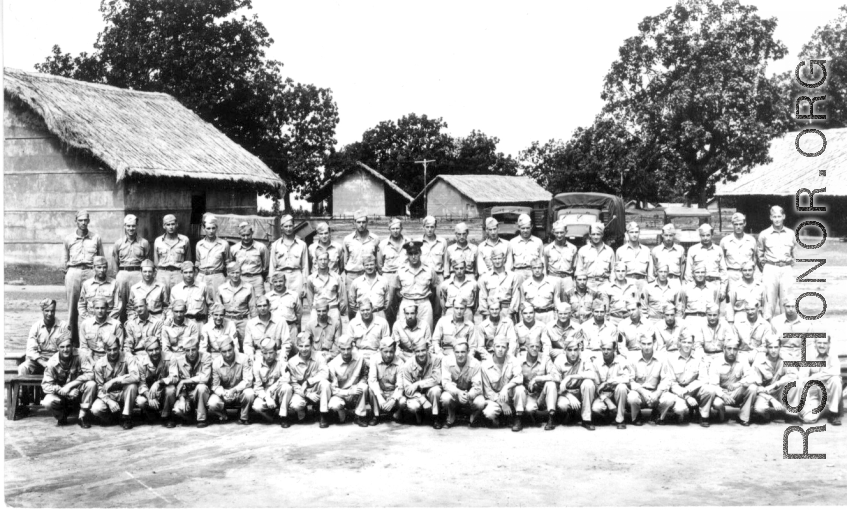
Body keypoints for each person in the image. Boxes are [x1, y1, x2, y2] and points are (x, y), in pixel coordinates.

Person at [63, 209, 104, 346]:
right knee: (72, 310)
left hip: (90, 272)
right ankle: (71, 342)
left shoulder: (96, 238)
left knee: (94, 306)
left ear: (89, 221)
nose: (83, 223)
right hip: (74, 272)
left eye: (86, 220)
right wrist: (70, 273)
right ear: (76, 221)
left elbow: (100, 258)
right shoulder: (68, 239)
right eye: (80, 220)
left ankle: (95, 341)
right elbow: (64, 261)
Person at [698, 338, 758, 427]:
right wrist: (723, 395)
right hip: (721, 394)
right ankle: (716, 415)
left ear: (738, 350)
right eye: (729, 349)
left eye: (735, 349)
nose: (732, 352)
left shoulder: (743, 359)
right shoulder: (716, 362)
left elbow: (752, 377)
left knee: (753, 387)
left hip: (736, 392)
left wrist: (739, 384)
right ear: (724, 349)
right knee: (717, 403)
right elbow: (713, 384)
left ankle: (743, 417)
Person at [40, 334, 97, 428]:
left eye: (68, 346)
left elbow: (90, 374)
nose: (65, 349)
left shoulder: (80, 354)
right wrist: (65, 392)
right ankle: (61, 416)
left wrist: (70, 385)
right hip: (61, 393)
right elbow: (46, 386)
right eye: (62, 347)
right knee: (47, 401)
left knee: (91, 384)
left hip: (78, 390)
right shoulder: (52, 363)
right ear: (57, 348)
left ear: (72, 346)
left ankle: (82, 416)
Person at [757, 206, 797, 319]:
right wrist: (766, 268)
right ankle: (767, 329)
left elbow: (794, 253)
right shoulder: (764, 234)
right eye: (774, 217)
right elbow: (759, 255)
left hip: (786, 268)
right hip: (770, 268)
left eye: (779, 216)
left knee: (787, 300)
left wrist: (788, 266)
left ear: (784, 217)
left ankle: (785, 330)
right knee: (768, 301)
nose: (777, 219)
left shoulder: (791, 233)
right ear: (771, 218)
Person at [91, 336, 139, 429]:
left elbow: (136, 377)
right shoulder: (99, 364)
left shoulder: (128, 357)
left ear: (119, 347)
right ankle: (114, 418)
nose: (112, 353)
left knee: (132, 386)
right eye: (109, 350)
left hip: (124, 393)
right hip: (109, 395)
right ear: (105, 349)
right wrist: (109, 402)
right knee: (96, 409)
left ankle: (126, 417)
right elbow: (100, 389)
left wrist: (115, 380)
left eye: (115, 349)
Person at [553, 337, 599, 430]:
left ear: (579, 350)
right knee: (563, 405)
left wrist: (571, 377)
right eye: (570, 350)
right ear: (565, 350)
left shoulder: (585, 357)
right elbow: (556, 384)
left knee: (588, 383)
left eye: (575, 350)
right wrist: (569, 396)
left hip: (582, 391)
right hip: (565, 393)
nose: (573, 353)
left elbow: (592, 374)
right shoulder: (559, 360)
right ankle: (571, 413)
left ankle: (586, 419)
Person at [657, 334, 705, 425]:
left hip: (693, 390)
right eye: (684, 342)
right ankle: (671, 412)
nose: (687, 345)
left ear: (693, 344)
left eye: (689, 343)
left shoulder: (698, 358)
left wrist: (687, 391)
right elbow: (671, 382)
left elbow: (703, 379)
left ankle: (701, 413)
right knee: (680, 410)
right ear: (679, 343)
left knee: (707, 389)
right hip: (676, 391)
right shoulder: (670, 358)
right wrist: (686, 396)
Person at [750, 334, 797, 424]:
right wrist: (772, 400)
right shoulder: (759, 361)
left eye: (776, 347)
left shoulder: (786, 358)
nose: (773, 350)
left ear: (780, 347)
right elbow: (756, 386)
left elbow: (793, 375)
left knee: (794, 384)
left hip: (780, 390)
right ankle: (776, 412)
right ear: (766, 348)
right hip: (764, 393)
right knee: (760, 411)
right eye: (770, 347)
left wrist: (776, 384)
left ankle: (790, 414)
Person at [287, 333, 332, 427]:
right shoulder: (292, 362)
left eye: (307, 346)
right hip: (301, 391)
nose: (304, 349)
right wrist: (307, 393)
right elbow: (294, 384)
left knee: (325, 384)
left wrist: (309, 381)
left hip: (316, 389)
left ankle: (323, 413)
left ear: (311, 345)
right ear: (297, 346)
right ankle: (303, 411)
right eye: (301, 346)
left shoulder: (319, 357)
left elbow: (325, 374)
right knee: (295, 405)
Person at [208, 336, 255, 425]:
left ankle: (243, 416)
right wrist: (223, 393)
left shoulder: (244, 358)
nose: (228, 354)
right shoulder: (216, 363)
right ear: (220, 351)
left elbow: (248, 381)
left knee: (250, 393)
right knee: (212, 403)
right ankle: (224, 416)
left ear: (234, 348)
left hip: (240, 392)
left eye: (230, 350)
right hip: (225, 394)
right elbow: (215, 385)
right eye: (224, 352)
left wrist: (234, 390)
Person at [479, 336, 523, 430]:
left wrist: (506, 387)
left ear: (507, 348)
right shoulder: (485, 365)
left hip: (510, 398)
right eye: (498, 346)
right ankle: (503, 417)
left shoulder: (513, 360)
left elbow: (519, 378)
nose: (500, 350)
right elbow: (488, 392)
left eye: (503, 347)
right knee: (489, 413)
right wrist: (503, 404)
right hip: (495, 399)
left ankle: (518, 418)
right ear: (493, 348)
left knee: (520, 389)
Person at [798, 334, 843, 426]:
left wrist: (815, 376)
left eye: (825, 343)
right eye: (819, 342)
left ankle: (833, 413)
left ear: (829, 344)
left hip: (829, 392)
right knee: (808, 419)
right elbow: (802, 378)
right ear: (815, 343)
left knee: (836, 380)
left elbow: (836, 371)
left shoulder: (832, 355)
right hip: (814, 393)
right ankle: (822, 409)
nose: (822, 345)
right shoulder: (808, 355)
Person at [515, 336, 558, 430]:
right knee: (529, 409)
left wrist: (538, 378)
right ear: (526, 347)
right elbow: (515, 377)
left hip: (542, 394)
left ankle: (551, 418)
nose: (535, 349)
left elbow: (556, 376)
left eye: (537, 346)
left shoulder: (545, 358)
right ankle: (519, 419)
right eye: (532, 346)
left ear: (540, 348)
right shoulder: (519, 360)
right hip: (528, 395)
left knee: (551, 384)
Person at [112, 214, 150, 322]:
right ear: (124, 226)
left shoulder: (144, 243)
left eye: (133, 226)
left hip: (138, 273)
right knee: (121, 304)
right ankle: (122, 330)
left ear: (137, 226)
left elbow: (147, 260)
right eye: (128, 226)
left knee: (138, 301)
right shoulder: (118, 243)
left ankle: (137, 328)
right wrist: (117, 276)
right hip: (123, 274)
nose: (131, 228)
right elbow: (114, 260)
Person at [440, 340, 485, 428]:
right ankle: (450, 416)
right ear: (453, 352)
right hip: (454, 394)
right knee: (445, 398)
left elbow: (477, 386)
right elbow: (446, 383)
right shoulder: (446, 361)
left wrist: (467, 395)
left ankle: (473, 418)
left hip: (469, 395)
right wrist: (458, 392)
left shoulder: (475, 363)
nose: (460, 355)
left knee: (480, 402)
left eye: (463, 352)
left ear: (468, 352)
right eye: (457, 352)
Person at [327, 335, 370, 427]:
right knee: (334, 405)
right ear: (339, 348)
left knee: (364, 387)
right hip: (341, 394)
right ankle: (342, 414)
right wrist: (348, 392)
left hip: (356, 391)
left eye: (348, 348)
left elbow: (364, 375)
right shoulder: (332, 365)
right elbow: (333, 390)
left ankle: (359, 416)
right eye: (343, 349)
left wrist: (360, 384)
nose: (346, 352)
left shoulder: (360, 358)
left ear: (352, 347)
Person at [169, 337, 212, 428]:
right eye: (187, 350)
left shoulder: (206, 356)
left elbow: (205, 378)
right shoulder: (179, 360)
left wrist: (185, 381)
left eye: (193, 350)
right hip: (187, 394)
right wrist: (182, 398)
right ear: (184, 350)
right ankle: (190, 416)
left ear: (198, 348)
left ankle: (202, 418)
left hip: (201, 394)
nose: (191, 353)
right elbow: (178, 382)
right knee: (177, 410)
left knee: (201, 387)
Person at [401, 338, 444, 429]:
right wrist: (422, 399)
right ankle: (419, 413)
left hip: (430, 391)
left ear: (428, 349)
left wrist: (418, 384)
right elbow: (408, 390)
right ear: (414, 352)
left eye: (423, 350)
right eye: (417, 351)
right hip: (417, 395)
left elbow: (437, 379)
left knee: (436, 390)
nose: (421, 354)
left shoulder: (436, 360)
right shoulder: (407, 365)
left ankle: (436, 417)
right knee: (413, 406)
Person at [252, 337, 293, 427]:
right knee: (257, 406)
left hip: (279, 391)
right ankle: (270, 415)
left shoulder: (281, 360)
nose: (268, 356)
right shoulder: (257, 365)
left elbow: (286, 378)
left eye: (271, 353)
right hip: (265, 394)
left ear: (276, 351)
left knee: (287, 387)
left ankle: (283, 416)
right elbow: (258, 387)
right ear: (262, 353)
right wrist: (267, 397)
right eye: (265, 353)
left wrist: (271, 390)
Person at [626, 334, 667, 426]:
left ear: (654, 344)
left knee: (669, 399)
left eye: (649, 344)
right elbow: (630, 380)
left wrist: (657, 393)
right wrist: (643, 392)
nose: (647, 347)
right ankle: (636, 416)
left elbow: (665, 380)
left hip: (655, 393)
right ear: (640, 344)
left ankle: (657, 414)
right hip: (640, 392)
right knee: (632, 397)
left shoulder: (662, 358)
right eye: (644, 344)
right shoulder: (632, 358)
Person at [19, 299, 68, 376]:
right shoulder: (36, 327)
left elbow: (67, 349)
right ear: (42, 311)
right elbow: (30, 350)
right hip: (40, 360)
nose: (50, 314)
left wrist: (54, 362)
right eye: (47, 311)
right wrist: (43, 362)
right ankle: (26, 388)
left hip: (58, 360)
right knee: (23, 368)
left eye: (52, 311)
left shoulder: (63, 326)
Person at [591, 337, 632, 429]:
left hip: (618, 394)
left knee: (622, 387)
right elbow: (597, 387)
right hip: (602, 395)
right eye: (603, 349)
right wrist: (607, 401)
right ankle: (609, 414)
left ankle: (620, 419)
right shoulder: (596, 363)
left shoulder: (621, 360)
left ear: (614, 349)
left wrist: (608, 382)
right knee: (596, 409)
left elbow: (626, 378)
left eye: (609, 349)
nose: (606, 352)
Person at [269, 214, 309, 307]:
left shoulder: (302, 244)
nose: (288, 228)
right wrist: (272, 284)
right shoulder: (275, 245)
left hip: (296, 277)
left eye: (290, 226)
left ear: (294, 226)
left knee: (297, 304)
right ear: (282, 227)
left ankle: (297, 322)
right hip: (280, 276)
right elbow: (272, 266)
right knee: (280, 304)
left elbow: (305, 266)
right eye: (286, 226)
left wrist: (304, 285)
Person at [397, 240, 437, 333]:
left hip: (424, 304)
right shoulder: (401, 270)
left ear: (420, 253)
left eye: (416, 253)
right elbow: (397, 291)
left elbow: (434, 288)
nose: (413, 256)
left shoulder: (429, 270)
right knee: (405, 332)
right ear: (407, 255)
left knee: (426, 332)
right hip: (407, 303)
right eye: (410, 254)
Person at [342, 210, 380, 306]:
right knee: (352, 303)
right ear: (354, 223)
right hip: (352, 275)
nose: (361, 224)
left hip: (369, 274)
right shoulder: (348, 239)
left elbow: (377, 258)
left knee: (369, 301)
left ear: (367, 222)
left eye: (363, 222)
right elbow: (345, 260)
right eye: (358, 222)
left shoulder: (375, 239)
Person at [135, 338, 177, 425]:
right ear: (146, 351)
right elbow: (141, 384)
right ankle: (151, 414)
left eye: (156, 349)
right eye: (150, 350)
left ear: (160, 347)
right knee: (140, 401)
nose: (154, 352)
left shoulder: (170, 357)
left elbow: (174, 377)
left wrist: (158, 382)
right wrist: (149, 397)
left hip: (164, 393)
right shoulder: (141, 362)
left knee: (171, 389)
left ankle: (167, 416)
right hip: (150, 395)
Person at [690, 302, 741, 371]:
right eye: (710, 315)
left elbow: (731, 342)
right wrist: (704, 358)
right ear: (706, 314)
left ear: (719, 315)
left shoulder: (725, 324)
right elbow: (698, 345)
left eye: (714, 315)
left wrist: (723, 358)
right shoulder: (700, 324)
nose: (712, 318)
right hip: (706, 355)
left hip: (721, 355)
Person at [478, 245, 521, 324]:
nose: (497, 261)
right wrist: (487, 315)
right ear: (491, 260)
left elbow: (515, 296)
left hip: (507, 310)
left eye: (499, 258)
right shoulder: (485, 277)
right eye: (494, 259)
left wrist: (510, 314)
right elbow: (482, 298)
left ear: (504, 259)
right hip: (491, 311)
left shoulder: (513, 276)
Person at [684, 224, 728, 300]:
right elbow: (688, 272)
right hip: (698, 286)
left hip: (715, 284)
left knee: (714, 310)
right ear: (699, 235)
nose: (705, 238)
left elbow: (723, 271)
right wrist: (691, 288)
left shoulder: (718, 250)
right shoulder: (693, 250)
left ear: (712, 235)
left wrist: (723, 289)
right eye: (703, 236)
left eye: (708, 235)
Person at [377, 217, 407, 327]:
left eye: (397, 228)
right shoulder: (383, 245)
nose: (395, 231)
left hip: (405, 276)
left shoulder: (408, 242)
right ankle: (389, 335)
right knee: (389, 307)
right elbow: (379, 265)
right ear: (389, 229)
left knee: (406, 306)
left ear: (401, 228)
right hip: (389, 277)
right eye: (393, 228)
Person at [217, 261, 257, 343]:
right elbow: (218, 308)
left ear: (241, 273)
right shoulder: (221, 289)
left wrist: (255, 324)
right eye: (232, 273)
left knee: (245, 344)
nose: (235, 275)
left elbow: (253, 308)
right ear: (228, 273)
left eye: (237, 273)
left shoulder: (249, 288)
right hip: (227, 321)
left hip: (243, 321)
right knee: (227, 344)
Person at [368, 336, 405, 425]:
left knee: (402, 401)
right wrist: (380, 397)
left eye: (391, 352)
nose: (388, 355)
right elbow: (372, 380)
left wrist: (393, 399)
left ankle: (396, 413)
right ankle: (376, 415)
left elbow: (400, 385)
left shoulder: (400, 362)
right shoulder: (374, 359)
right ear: (380, 351)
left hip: (393, 393)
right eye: (385, 351)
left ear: (395, 351)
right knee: (371, 389)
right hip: (380, 392)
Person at [243, 296, 291, 361]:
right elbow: (247, 345)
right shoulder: (251, 324)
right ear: (256, 308)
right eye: (259, 306)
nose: (262, 308)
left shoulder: (280, 321)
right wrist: (251, 358)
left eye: (265, 305)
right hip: (258, 356)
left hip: (277, 356)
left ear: (269, 306)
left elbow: (287, 343)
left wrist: (283, 357)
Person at [195, 214, 230, 302]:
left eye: (213, 228)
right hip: (202, 277)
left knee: (219, 302)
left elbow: (228, 264)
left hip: (217, 277)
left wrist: (227, 279)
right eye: (208, 228)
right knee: (201, 302)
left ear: (216, 228)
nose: (211, 231)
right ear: (204, 229)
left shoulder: (224, 244)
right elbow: (197, 262)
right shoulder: (199, 244)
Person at [230, 221, 269, 301]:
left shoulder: (261, 247)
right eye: (243, 235)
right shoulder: (234, 249)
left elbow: (266, 266)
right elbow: (231, 266)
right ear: (239, 235)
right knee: (241, 301)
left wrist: (261, 277)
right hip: (241, 279)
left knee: (260, 301)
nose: (246, 238)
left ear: (252, 233)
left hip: (256, 279)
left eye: (248, 235)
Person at [305, 251, 347, 324]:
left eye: (325, 259)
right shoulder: (311, 278)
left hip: (332, 310)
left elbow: (342, 298)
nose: (323, 262)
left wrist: (338, 311)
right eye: (320, 259)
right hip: (317, 311)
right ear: (316, 261)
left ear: (329, 260)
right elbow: (310, 299)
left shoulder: (337, 277)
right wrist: (314, 310)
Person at [721, 212, 759, 292]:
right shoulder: (725, 241)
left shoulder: (751, 240)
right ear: (732, 224)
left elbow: (754, 258)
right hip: (732, 275)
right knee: (733, 299)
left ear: (744, 224)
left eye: (740, 224)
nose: (738, 227)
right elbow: (722, 260)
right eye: (736, 224)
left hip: (748, 275)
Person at [78, 297, 125, 363]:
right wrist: (91, 361)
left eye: (102, 308)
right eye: (97, 308)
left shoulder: (116, 324)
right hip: (91, 358)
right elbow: (83, 347)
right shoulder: (85, 324)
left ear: (107, 308)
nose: (100, 311)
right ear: (93, 309)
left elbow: (119, 347)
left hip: (111, 357)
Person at [676, 264, 721, 332]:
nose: (700, 275)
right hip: (691, 320)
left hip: (707, 321)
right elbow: (682, 307)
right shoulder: (685, 288)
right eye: (697, 272)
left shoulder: (713, 288)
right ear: (693, 274)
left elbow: (716, 307)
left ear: (706, 274)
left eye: (702, 272)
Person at [78, 256, 121, 324]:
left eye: (104, 267)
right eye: (99, 267)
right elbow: (81, 305)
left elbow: (118, 306)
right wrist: (89, 320)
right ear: (93, 268)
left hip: (109, 321)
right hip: (90, 321)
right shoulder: (86, 284)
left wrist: (108, 320)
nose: (102, 270)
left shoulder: (114, 283)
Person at [153, 214, 191, 292]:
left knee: (179, 298)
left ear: (176, 225)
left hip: (178, 274)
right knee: (163, 298)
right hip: (162, 274)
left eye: (173, 224)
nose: (171, 227)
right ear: (164, 226)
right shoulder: (158, 241)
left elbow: (188, 261)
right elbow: (156, 262)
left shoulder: (184, 240)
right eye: (168, 224)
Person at [420, 216, 448, 318]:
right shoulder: (419, 242)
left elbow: (446, 261)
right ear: (423, 227)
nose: (429, 229)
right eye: (427, 227)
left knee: (438, 308)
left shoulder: (442, 242)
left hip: (438, 276)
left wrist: (445, 277)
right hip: (423, 276)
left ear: (435, 227)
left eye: (432, 227)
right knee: (424, 306)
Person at [348, 254, 391, 320]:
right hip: (362, 315)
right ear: (363, 266)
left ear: (375, 265)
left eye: (371, 264)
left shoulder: (383, 281)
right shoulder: (356, 282)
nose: (369, 267)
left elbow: (387, 301)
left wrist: (380, 311)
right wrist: (360, 311)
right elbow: (352, 301)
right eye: (367, 265)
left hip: (379, 314)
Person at [169, 261, 212, 325]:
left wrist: (210, 323)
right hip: (183, 323)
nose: (188, 275)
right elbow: (171, 309)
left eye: (190, 272)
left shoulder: (203, 287)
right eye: (185, 272)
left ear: (195, 272)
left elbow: (211, 306)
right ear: (181, 273)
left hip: (199, 322)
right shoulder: (175, 289)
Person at [575, 222, 615, 292]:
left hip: (604, 284)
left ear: (602, 235)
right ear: (590, 235)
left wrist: (612, 284)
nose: (596, 237)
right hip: (588, 284)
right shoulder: (583, 250)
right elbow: (579, 270)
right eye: (593, 234)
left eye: (598, 234)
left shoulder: (609, 251)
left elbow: (613, 270)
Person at [616, 222, 653, 295]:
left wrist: (650, 286)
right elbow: (616, 271)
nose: (634, 234)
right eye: (631, 232)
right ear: (627, 233)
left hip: (643, 283)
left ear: (639, 233)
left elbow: (650, 272)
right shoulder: (620, 251)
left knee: (643, 305)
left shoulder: (646, 250)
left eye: (636, 232)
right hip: (627, 283)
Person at [770, 296, 811, 362]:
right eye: (788, 306)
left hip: (800, 353)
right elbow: (772, 342)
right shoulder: (775, 322)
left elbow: (809, 345)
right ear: (784, 307)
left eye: (793, 306)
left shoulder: (806, 323)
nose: (791, 309)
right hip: (782, 354)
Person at [520, 258, 560, 324]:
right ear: (531, 269)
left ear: (543, 268)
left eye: (539, 268)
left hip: (549, 315)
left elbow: (557, 302)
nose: (537, 270)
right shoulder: (525, 285)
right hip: (532, 316)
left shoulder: (552, 283)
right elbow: (522, 305)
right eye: (534, 268)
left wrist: (557, 318)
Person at [543, 220, 578, 293]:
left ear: (566, 231)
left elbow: (575, 268)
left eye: (561, 232)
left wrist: (574, 283)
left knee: (569, 302)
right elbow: (545, 268)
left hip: (567, 279)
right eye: (557, 232)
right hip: (552, 278)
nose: (559, 235)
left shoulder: (573, 248)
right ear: (553, 232)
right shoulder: (547, 249)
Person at [600, 262, 639, 327]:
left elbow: (637, 306)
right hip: (614, 320)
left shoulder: (633, 287)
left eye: (623, 271)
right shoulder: (607, 288)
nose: (620, 274)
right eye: (618, 271)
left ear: (626, 272)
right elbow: (605, 309)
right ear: (614, 272)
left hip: (629, 319)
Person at [641, 264, 679, 330]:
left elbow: (679, 308)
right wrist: (646, 323)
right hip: (652, 321)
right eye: (661, 272)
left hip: (669, 322)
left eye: (665, 272)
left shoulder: (675, 288)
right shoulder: (648, 288)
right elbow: (643, 308)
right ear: (656, 272)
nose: (663, 274)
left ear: (668, 273)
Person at [439, 258, 477, 323]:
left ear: (465, 268)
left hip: (467, 311)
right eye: (456, 268)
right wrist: (447, 310)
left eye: (461, 268)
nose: (459, 271)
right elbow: (442, 298)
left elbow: (476, 300)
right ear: (453, 269)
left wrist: (470, 310)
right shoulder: (446, 284)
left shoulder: (473, 283)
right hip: (451, 310)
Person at [266, 272, 302, 341]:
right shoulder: (268, 297)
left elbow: (299, 312)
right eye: (275, 282)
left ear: (285, 281)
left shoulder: (294, 295)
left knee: (293, 350)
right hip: (274, 328)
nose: (278, 284)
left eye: (280, 281)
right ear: (272, 283)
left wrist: (297, 325)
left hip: (291, 327)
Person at [509, 213, 544, 281]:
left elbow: (542, 260)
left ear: (531, 226)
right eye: (523, 228)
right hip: (518, 273)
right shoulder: (512, 242)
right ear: (519, 227)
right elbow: (510, 262)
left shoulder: (538, 242)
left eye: (527, 228)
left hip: (534, 273)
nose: (525, 230)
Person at [651, 223, 685, 292]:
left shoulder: (680, 250)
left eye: (670, 235)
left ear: (674, 236)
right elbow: (654, 268)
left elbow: (682, 267)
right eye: (666, 235)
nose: (668, 238)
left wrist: (680, 282)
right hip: (660, 282)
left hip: (675, 280)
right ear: (662, 235)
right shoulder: (656, 250)